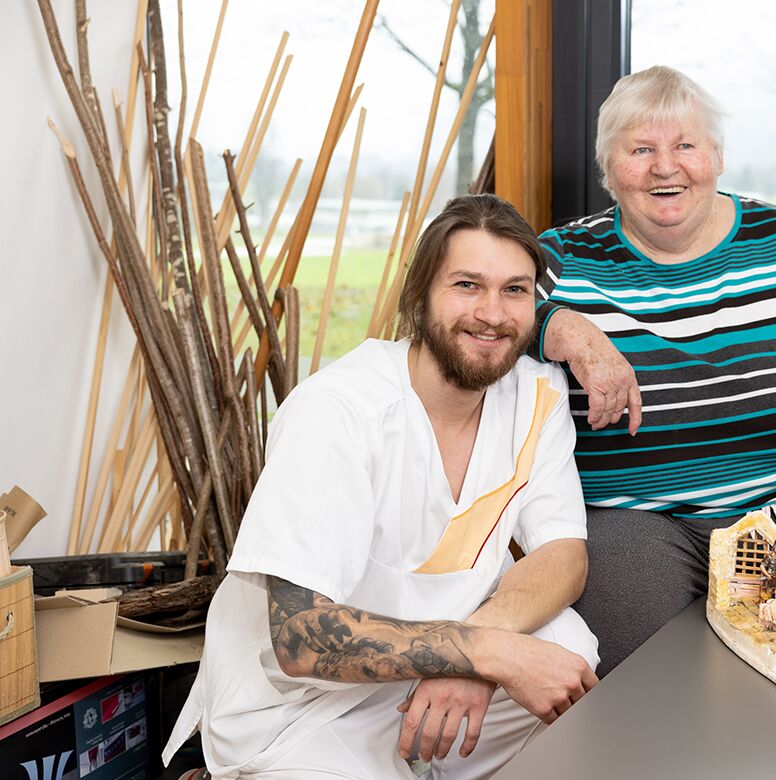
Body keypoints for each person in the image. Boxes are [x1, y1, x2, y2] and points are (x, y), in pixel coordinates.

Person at [162, 195, 600, 779]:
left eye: (515, 290)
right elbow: (300, 637)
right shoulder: (337, 412)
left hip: (432, 674)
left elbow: (563, 554)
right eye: (467, 285)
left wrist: (475, 653)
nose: (493, 314)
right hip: (304, 709)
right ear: (420, 296)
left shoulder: (536, 396)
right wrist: (483, 653)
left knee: (569, 651)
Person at [532, 65, 776, 677]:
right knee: (648, 689)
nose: (666, 167)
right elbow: (472, 316)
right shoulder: (563, 259)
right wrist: (564, 328)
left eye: (685, 145)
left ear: (716, 156)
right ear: (608, 170)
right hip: (644, 525)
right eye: (640, 149)